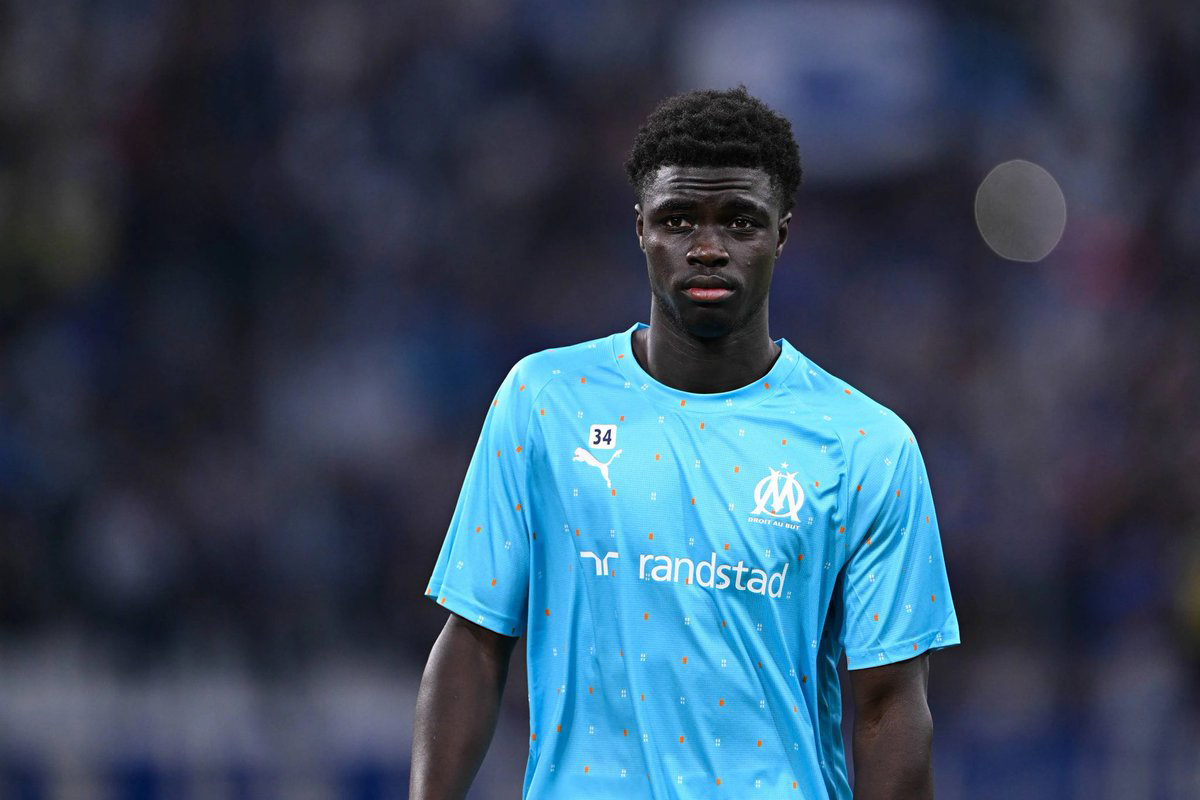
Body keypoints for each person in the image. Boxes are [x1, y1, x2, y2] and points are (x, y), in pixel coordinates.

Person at [410, 87, 960, 799]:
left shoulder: (866, 445)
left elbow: (889, 709)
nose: (707, 248)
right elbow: (474, 644)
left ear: (781, 235)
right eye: (678, 220)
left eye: (740, 221)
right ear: (640, 228)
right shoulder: (542, 401)